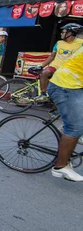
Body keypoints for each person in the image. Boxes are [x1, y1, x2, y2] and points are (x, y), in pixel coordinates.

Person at [47, 25, 83, 182]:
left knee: (76, 125)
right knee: (74, 128)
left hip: (75, 84)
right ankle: (60, 166)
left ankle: (71, 130)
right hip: (64, 86)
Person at [36, 23, 83, 101]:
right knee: (45, 73)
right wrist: (41, 66)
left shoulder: (81, 43)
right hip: (56, 66)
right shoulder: (59, 43)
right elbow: (52, 56)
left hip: (69, 69)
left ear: (70, 33)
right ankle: (43, 94)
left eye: (63, 32)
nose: (61, 34)